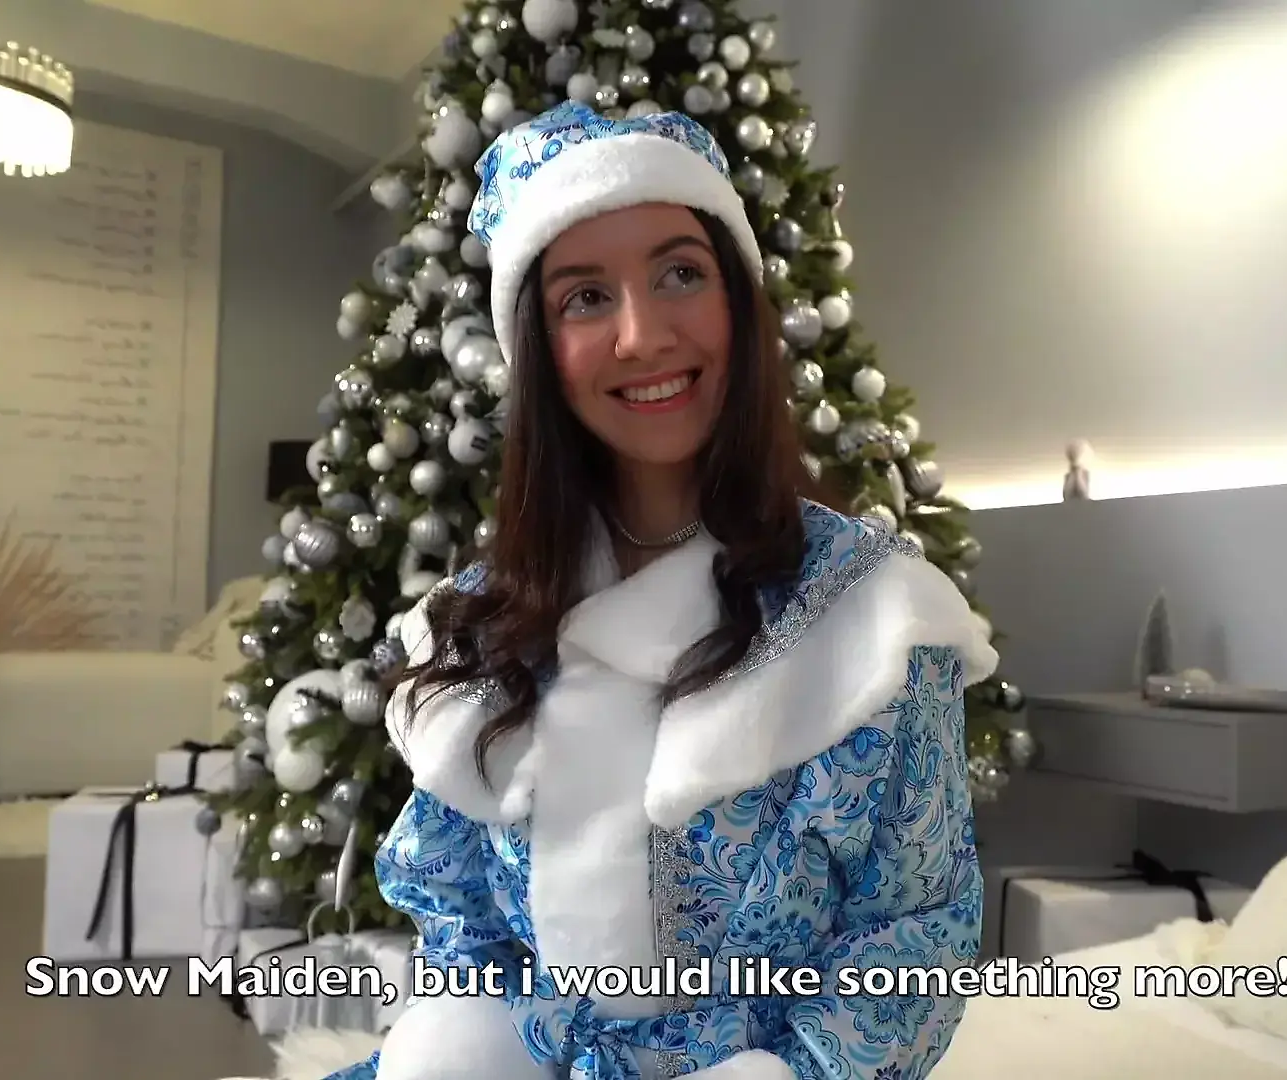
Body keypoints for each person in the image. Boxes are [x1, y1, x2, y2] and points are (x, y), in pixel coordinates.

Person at [326, 102, 996, 1080]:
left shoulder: (873, 614)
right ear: (539, 346)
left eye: (680, 273)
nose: (641, 336)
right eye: (586, 298)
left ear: (737, 301)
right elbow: (461, 921)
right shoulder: (479, 622)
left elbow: (911, 943)